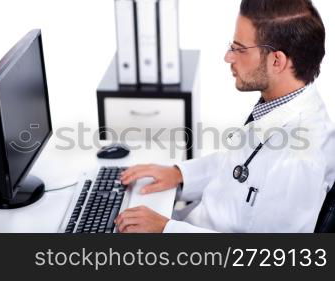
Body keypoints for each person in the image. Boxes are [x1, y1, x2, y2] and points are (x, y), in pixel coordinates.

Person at [115, 0, 335, 233]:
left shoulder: (300, 160)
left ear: (276, 61)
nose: (228, 57)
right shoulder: (280, 104)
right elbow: (238, 167)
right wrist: (179, 174)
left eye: (239, 49)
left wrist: (165, 230)